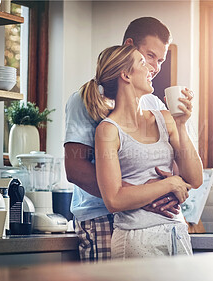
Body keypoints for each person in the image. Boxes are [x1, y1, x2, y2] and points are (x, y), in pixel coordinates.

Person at [64, 17, 190, 262]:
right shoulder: (84, 100)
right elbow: (75, 169)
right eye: (150, 56)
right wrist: (144, 198)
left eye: (161, 60)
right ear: (130, 46)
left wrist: (167, 191)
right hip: (100, 215)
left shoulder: (154, 104)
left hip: (154, 221)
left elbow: (175, 164)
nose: (155, 67)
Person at [83, 44, 203, 258]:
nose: (151, 69)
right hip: (135, 238)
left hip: (176, 233)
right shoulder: (108, 130)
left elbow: (195, 178)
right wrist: (170, 183)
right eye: (142, 62)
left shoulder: (165, 118)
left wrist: (182, 124)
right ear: (126, 75)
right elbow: (114, 200)